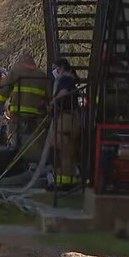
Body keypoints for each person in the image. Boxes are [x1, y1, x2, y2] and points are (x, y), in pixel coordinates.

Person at [0, 53, 51, 161]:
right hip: (36, 117)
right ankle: (33, 162)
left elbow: (4, 90)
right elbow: (49, 97)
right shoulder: (42, 75)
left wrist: (0, 104)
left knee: (17, 141)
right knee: (34, 141)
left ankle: (18, 163)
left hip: (18, 114)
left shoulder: (16, 72)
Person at [50, 58, 80, 188]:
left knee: (61, 149)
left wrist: (52, 102)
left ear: (61, 67)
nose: (55, 71)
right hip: (69, 118)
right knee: (67, 150)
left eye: (56, 68)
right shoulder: (71, 79)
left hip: (66, 118)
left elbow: (63, 92)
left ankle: (63, 182)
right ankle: (68, 179)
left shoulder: (65, 79)